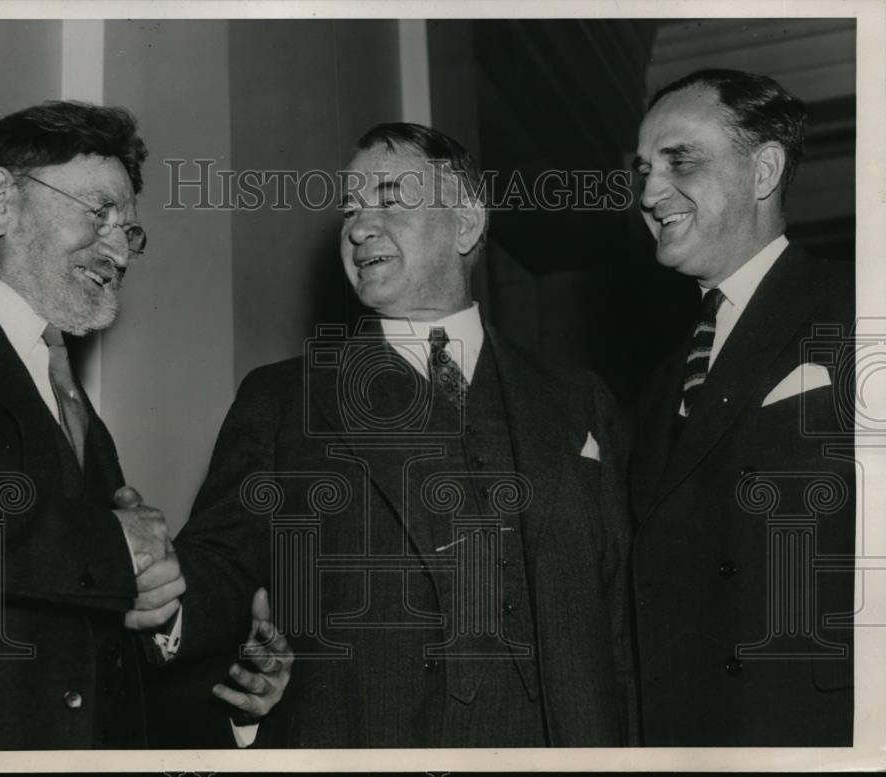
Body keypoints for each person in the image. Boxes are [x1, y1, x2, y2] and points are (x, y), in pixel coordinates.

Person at [176, 122, 638, 747]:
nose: (359, 227)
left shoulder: (581, 402)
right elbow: (211, 583)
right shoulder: (285, 400)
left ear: (467, 224)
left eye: (390, 200)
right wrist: (187, 631)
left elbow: (622, 627)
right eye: (350, 210)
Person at [0, 100, 287, 750]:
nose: (120, 249)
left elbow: (86, 657)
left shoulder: (75, 406)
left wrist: (216, 684)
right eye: (99, 213)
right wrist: (113, 549)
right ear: (0, 201)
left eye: (130, 231)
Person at [630, 69, 855, 746]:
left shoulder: (859, 308)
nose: (649, 192)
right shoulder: (652, 389)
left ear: (764, 171)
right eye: (642, 170)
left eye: (681, 161)